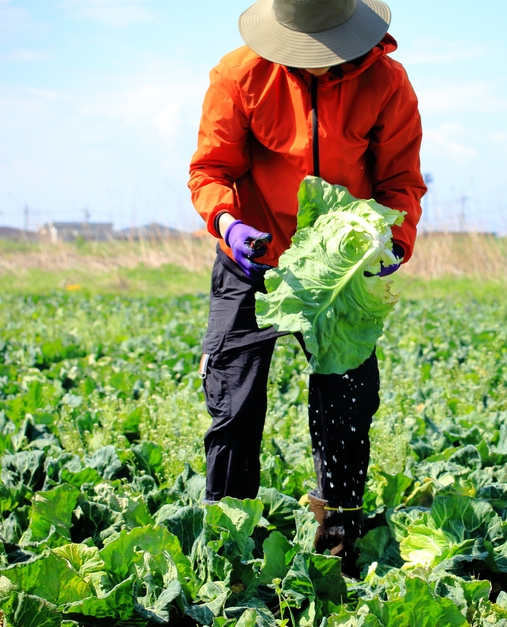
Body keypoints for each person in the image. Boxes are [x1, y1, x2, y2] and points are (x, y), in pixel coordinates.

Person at [188, 0, 424, 576]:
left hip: (338, 271)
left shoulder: (388, 82)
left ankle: (339, 536)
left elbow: (400, 181)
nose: (318, 64)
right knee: (234, 400)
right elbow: (209, 169)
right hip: (253, 259)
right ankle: (228, 538)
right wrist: (227, 223)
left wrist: (393, 241)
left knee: (345, 397)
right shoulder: (239, 75)